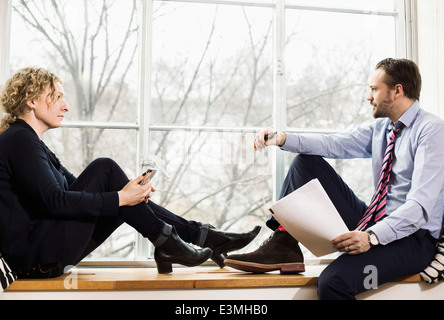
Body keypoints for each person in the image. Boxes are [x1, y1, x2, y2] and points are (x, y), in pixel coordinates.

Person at [0, 67, 260, 278]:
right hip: (36, 258)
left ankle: (190, 238)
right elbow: (56, 201)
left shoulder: (32, 143)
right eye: (57, 97)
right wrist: (122, 198)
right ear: (32, 101)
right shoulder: (19, 140)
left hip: (46, 251)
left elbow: (72, 189)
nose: (66, 106)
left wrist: (130, 193)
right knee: (105, 168)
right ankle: (194, 238)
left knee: (116, 185)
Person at [224, 58, 444, 299]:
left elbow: (420, 207)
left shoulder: (431, 131)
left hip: (412, 239)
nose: (368, 97)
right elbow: (333, 143)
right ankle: (282, 244)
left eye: (373, 89)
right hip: (372, 219)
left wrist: (371, 237)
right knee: (305, 162)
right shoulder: (382, 129)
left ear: (397, 91)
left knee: (332, 282)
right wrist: (282, 138)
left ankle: (290, 247)